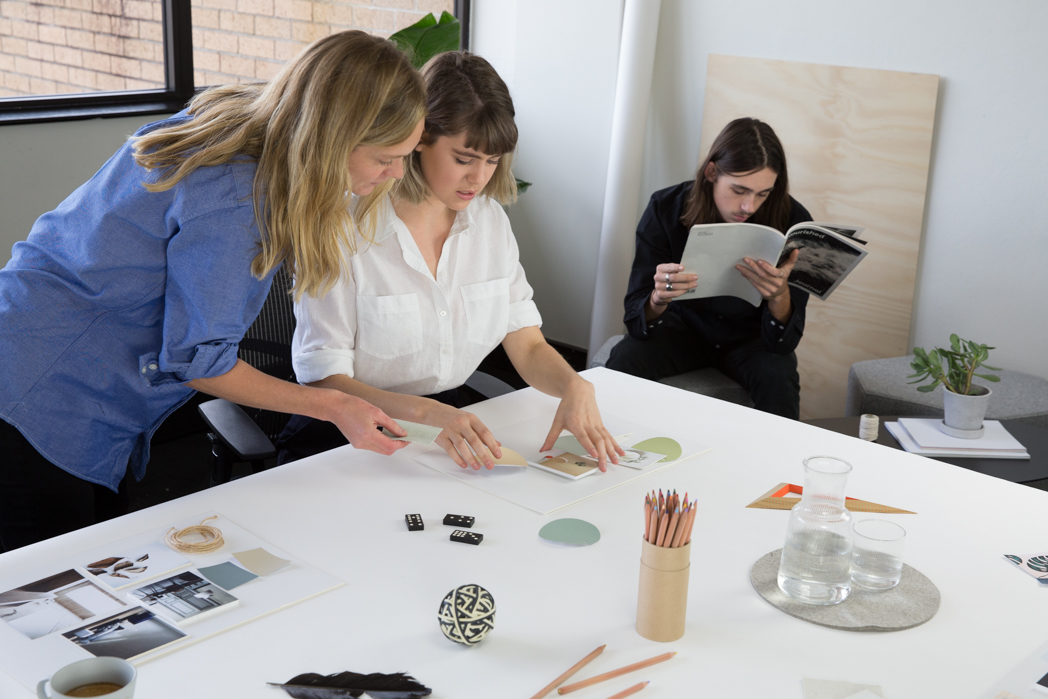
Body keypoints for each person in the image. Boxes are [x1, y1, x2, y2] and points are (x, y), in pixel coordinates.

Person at [0, 31, 427, 551]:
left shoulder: (238, 119)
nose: (396, 173)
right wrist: (334, 405)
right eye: (385, 157)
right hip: (38, 391)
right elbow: (200, 363)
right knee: (46, 578)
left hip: (39, 343)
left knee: (94, 559)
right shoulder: (238, 199)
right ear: (332, 137)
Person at [279, 51, 623, 471]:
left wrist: (574, 386)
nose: (479, 178)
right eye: (464, 159)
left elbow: (527, 343)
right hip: (346, 436)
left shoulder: (489, 222)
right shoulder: (342, 230)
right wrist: (422, 414)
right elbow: (323, 378)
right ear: (419, 138)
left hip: (445, 428)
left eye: (492, 161)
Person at [606, 117, 813, 419]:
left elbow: (785, 342)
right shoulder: (666, 207)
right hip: (682, 328)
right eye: (739, 190)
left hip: (750, 337)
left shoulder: (794, 220)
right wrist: (658, 298)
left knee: (779, 380)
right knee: (625, 358)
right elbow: (636, 319)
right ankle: (598, 440)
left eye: (763, 193)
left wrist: (779, 296)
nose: (750, 206)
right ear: (712, 172)